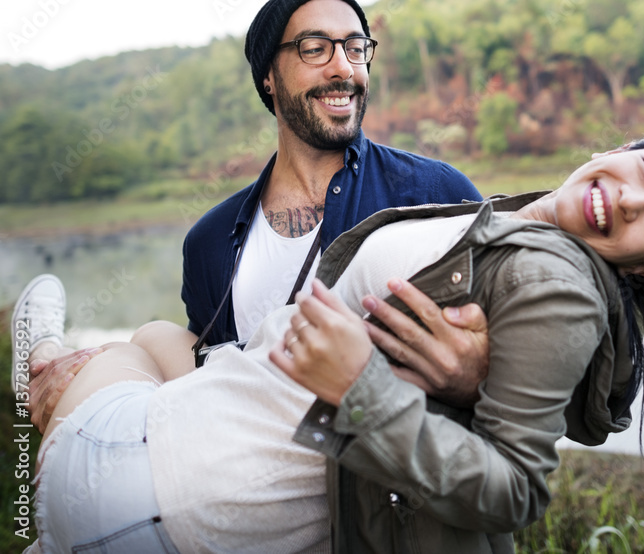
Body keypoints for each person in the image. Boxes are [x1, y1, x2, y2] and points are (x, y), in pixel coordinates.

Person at [14, 131, 644, 553]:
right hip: (181, 491)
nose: (625, 202)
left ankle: (49, 374)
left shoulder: (552, 276)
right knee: (163, 337)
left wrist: (358, 385)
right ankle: (69, 387)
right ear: (623, 147)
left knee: (101, 365)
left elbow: (517, 487)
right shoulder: (515, 225)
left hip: (153, 502)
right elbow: (596, 351)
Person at [23, 0, 496, 432]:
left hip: (379, 494)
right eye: (315, 49)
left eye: (356, 48)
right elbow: (201, 382)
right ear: (268, 74)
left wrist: (474, 376)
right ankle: (50, 360)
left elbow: (520, 350)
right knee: (150, 345)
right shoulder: (209, 241)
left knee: (144, 345)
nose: (343, 68)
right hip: (245, 477)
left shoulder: (435, 194)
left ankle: (45, 354)